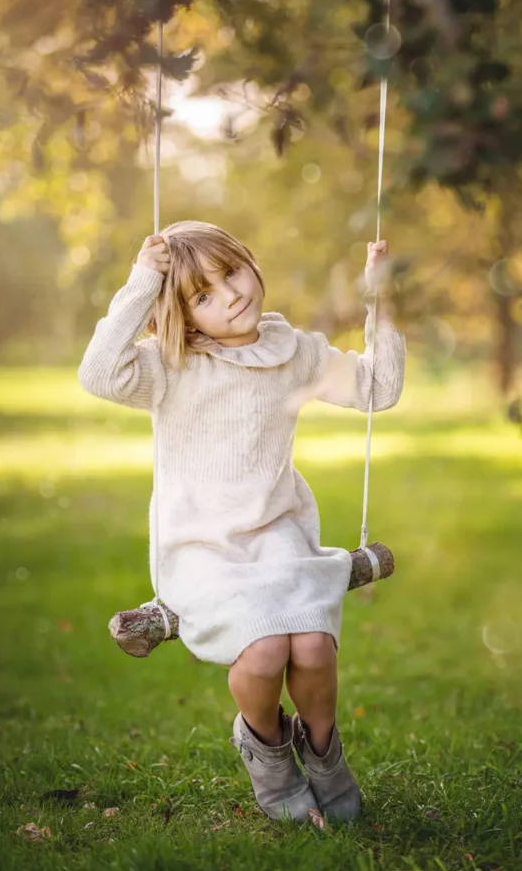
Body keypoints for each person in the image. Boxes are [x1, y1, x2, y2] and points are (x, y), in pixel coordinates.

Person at [78, 220, 405, 824]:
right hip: (200, 545)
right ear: (182, 315)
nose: (229, 294)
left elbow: (378, 388)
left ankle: (325, 754)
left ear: (250, 263)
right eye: (202, 295)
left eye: (231, 272)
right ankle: (268, 752)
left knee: (309, 642)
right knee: (262, 651)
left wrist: (378, 303)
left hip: (276, 534)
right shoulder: (168, 367)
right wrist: (141, 282)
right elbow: (98, 374)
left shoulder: (293, 353)